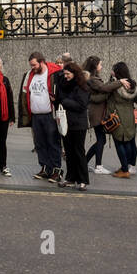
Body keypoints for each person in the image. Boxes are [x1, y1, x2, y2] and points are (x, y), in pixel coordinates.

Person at [20, 51, 62, 181]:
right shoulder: (30, 75)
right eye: (31, 65)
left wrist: (57, 99)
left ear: (41, 62)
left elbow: (62, 91)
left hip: (50, 114)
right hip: (36, 115)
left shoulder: (54, 73)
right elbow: (25, 94)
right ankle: (45, 168)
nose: (32, 67)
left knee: (53, 142)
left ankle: (56, 170)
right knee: (40, 143)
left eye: (34, 65)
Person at [58, 61, 92, 190]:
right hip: (66, 123)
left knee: (79, 152)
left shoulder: (83, 86)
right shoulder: (65, 85)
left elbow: (81, 105)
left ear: (74, 73)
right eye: (64, 73)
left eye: (67, 74)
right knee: (69, 152)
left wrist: (65, 101)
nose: (65, 76)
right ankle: (70, 178)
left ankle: (83, 180)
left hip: (78, 124)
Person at [104, 62, 137, 177]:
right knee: (129, 142)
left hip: (117, 117)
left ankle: (124, 170)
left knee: (119, 142)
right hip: (130, 117)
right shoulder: (132, 84)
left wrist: (113, 80)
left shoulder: (116, 85)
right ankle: (128, 166)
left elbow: (105, 89)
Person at [82, 56, 111, 175]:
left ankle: (84, 162)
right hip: (96, 114)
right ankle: (98, 166)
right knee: (101, 139)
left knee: (101, 139)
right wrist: (118, 83)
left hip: (96, 113)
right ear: (95, 66)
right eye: (100, 64)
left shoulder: (93, 78)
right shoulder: (93, 79)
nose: (101, 66)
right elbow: (103, 89)